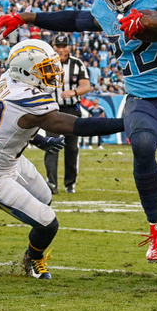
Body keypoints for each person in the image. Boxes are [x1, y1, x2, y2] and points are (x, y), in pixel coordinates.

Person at [0, 0, 157, 264]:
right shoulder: (107, 10)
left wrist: (146, 20)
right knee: (142, 143)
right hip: (141, 99)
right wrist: (26, 17)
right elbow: (75, 19)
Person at [0, 39, 125, 279]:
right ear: (25, 71)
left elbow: (13, 124)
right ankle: (33, 259)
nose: (51, 74)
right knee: (48, 223)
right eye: (44, 69)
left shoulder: (9, 79)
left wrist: (39, 140)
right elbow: (76, 125)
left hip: (8, 159)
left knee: (45, 197)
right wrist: (125, 123)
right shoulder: (28, 99)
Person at [44, 34, 91, 194]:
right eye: (58, 46)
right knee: (52, 145)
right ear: (53, 46)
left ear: (69, 47)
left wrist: (74, 91)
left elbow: (86, 86)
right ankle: (51, 183)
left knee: (71, 148)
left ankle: (70, 183)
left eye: (64, 46)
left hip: (72, 110)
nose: (61, 50)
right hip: (52, 110)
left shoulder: (77, 64)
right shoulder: (46, 64)